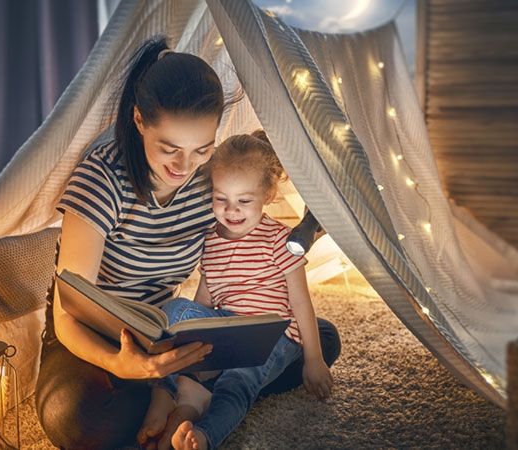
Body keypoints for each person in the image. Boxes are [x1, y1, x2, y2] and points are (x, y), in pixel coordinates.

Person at [35, 36, 341, 450]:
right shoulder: (102, 180)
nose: (185, 166)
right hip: (94, 337)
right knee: (81, 421)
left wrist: (307, 225)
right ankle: (192, 391)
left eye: (202, 149)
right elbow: (68, 314)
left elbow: (249, 236)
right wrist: (121, 363)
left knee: (318, 340)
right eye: (170, 149)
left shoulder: (208, 182)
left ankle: (188, 395)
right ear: (140, 120)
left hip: (165, 328)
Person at [142, 130, 335, 450]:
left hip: (271, 335)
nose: (231, 211)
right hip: (228, 327)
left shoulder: (280, 240)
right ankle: (166, 396)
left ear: (267, 196)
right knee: (174, 311)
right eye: (221, 199)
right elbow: (204, 299)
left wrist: (313, 359)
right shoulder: (212, 240)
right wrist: (189, 333)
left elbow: (301, 304)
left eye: (244, 201)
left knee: (238, 382)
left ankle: (205, 436)